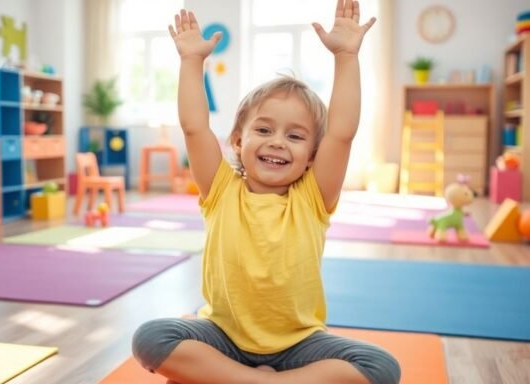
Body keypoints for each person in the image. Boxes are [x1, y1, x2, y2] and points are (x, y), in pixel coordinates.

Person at [132, 1, 400, 383]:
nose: (277, 143)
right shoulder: (221, 189)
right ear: (238, 141)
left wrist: (346, 56)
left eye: (294, 136)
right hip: (222, 336)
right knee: (152, 338)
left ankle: (245, 379)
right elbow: (194, 127)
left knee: (381, 368)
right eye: (263, 130)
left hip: (299, 345)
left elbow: (342, 131)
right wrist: (191, 61)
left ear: (312, 156)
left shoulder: (312, 198)